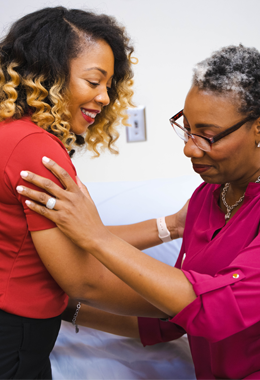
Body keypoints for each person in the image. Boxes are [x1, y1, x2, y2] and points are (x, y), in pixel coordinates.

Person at [18, 44, 260, 379]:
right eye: (187, 128)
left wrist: (98, 237)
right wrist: (63, 307)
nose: (188, 148)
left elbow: (219, 310)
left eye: (208, 136)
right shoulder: (208, 196)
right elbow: (171, 319)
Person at [0, 6, 190, 379]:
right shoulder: (35, 149)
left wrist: (173, 225)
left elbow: (83, 240)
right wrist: (183, 304)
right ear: (48, 74)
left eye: (109, 85)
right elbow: (81, 278)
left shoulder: (12, 133)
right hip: (14, 339)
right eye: (93, 81)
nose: (104, 98)